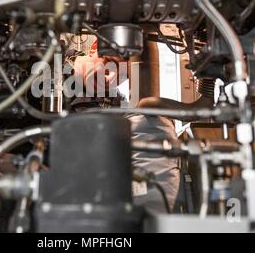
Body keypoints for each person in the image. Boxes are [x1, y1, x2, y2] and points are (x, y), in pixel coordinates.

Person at [70, 42, 181, 213]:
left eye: (122, 74)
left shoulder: (119, 107)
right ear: (93, 49)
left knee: (153, 126)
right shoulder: (51, 69)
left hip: (97, 195)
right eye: (107, 61)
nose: (110, 77)